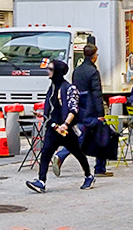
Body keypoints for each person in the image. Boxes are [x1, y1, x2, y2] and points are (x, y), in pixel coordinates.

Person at [26, 59, 94, 192]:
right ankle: (41, 181)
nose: (48, 72)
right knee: (45, 152)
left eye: (50, 69)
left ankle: (88, 175)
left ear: (57, 71)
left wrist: (65, 124)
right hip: (52, 127)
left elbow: (73, 109)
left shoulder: (69, 88)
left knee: (77, 152)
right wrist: (43, 114)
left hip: (65, 129)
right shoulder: (51, 88)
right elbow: (52, 107)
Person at [54, 44, 108, 178]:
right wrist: (101, 113)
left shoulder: (77, 71)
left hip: (80, 108)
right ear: (94, 56)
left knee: (84, 136)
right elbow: (97, 93)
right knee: (101, 136)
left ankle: (99, 167)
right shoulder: (93, 71)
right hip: (92, 109)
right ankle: (99, 168)